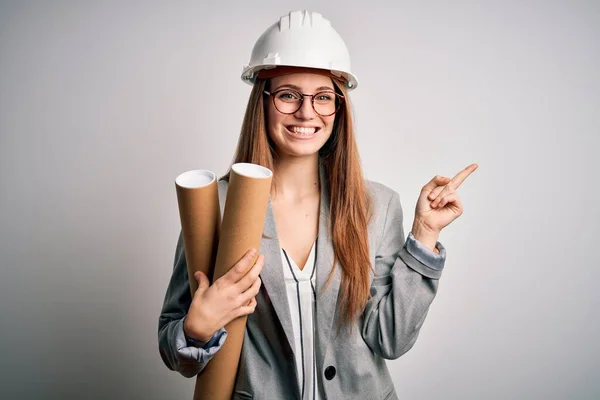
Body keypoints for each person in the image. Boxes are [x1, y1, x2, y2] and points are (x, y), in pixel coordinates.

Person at [158, 10, 477, 400]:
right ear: (263, 101)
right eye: (289, 95)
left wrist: (425, 235)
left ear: (338, 108)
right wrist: (197, 329)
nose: (307, 112)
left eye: (323, 97)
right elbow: (176, 350)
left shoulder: (377, 205)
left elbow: (390, 339)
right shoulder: (215, 207)